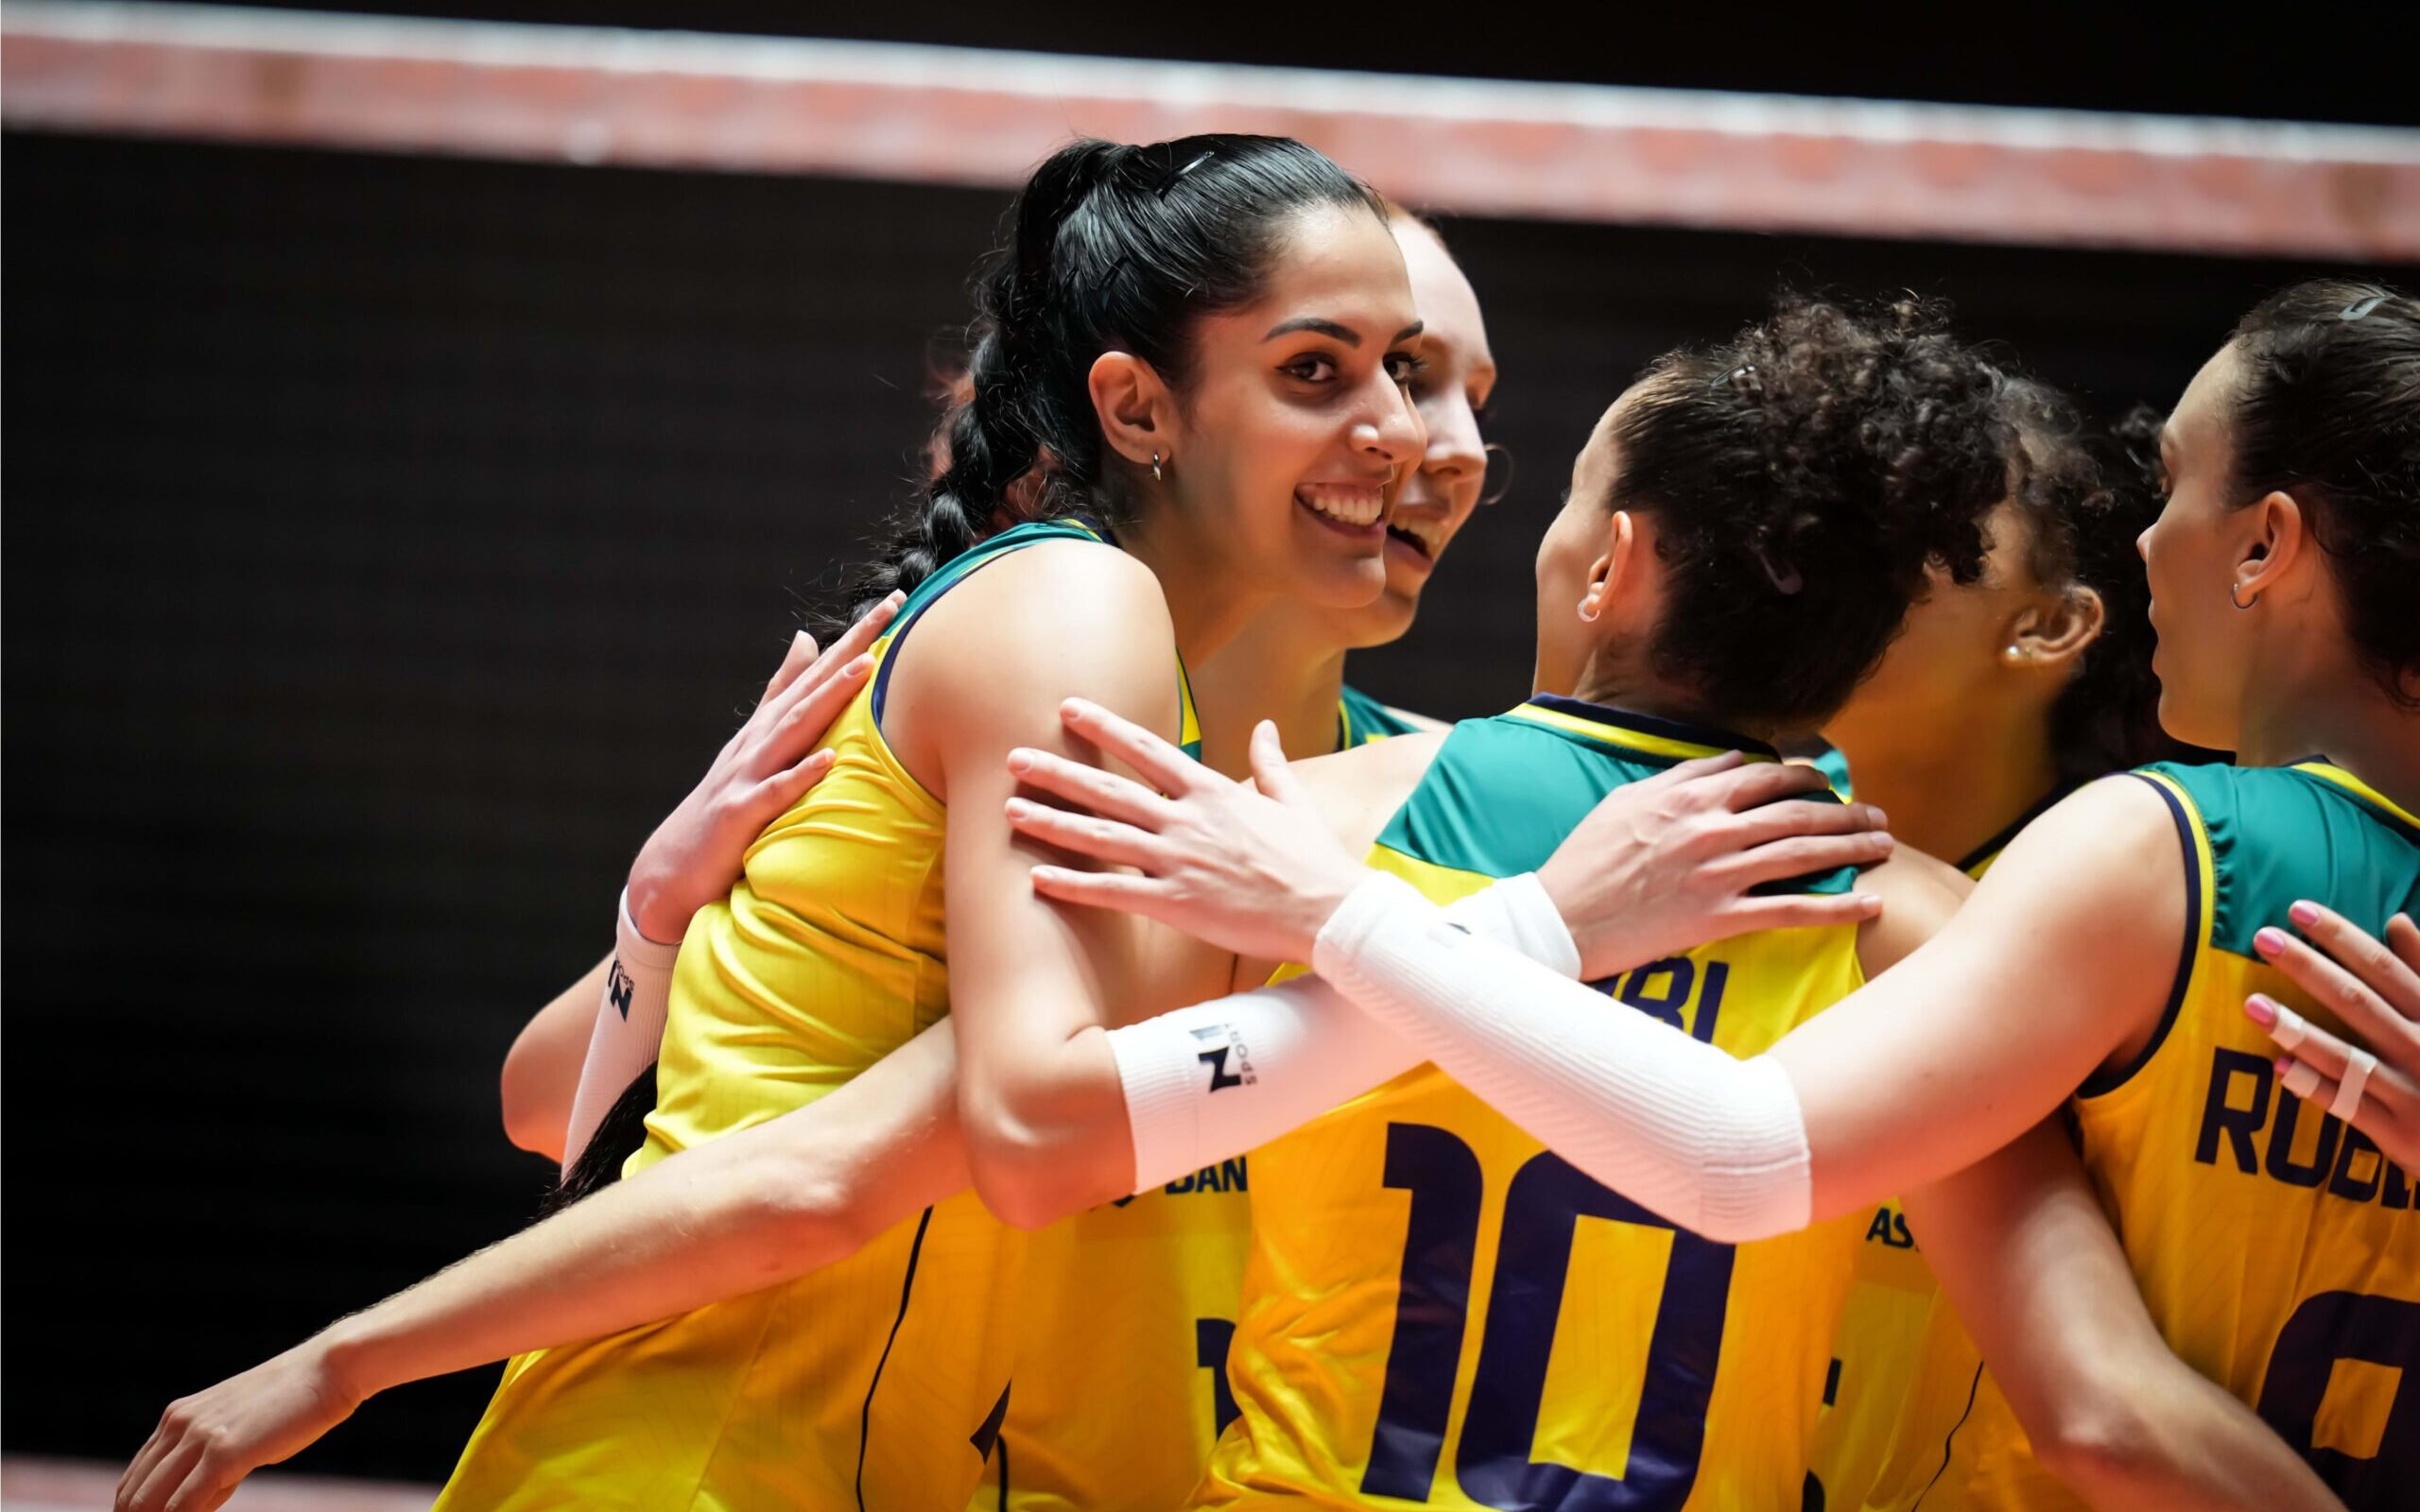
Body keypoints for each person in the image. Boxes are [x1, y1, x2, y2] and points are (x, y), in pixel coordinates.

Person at [116, 145, 1886, 1512]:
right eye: (1340, 369)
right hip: (724, 1459)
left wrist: (667, 923)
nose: (1422, 441)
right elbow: (703, 1125)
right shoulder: (1058, 626)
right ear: (1144, 401)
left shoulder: (1402, 783)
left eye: (1454, 393)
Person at [1029, 279, 2414, 1509]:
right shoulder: (1933, 931)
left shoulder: (1304, 829)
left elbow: (1049, 1143)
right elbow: (2094, 1385)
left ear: (1613, 563)